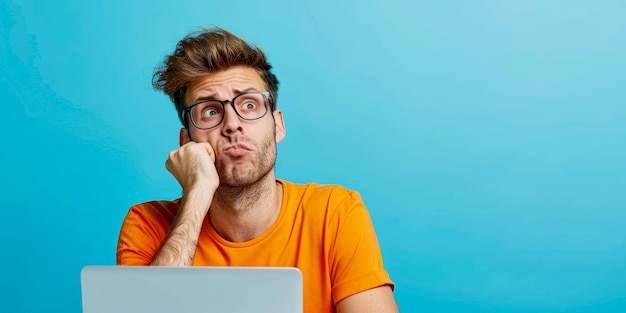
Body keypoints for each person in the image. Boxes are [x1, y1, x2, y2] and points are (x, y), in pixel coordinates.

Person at [116, 26, 398, 313]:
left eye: (249, 104)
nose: (232, 124)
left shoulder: (334, 213)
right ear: (187, 142)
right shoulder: (149, 224)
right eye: (210, 111)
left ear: (278, 126)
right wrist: (197, 191)